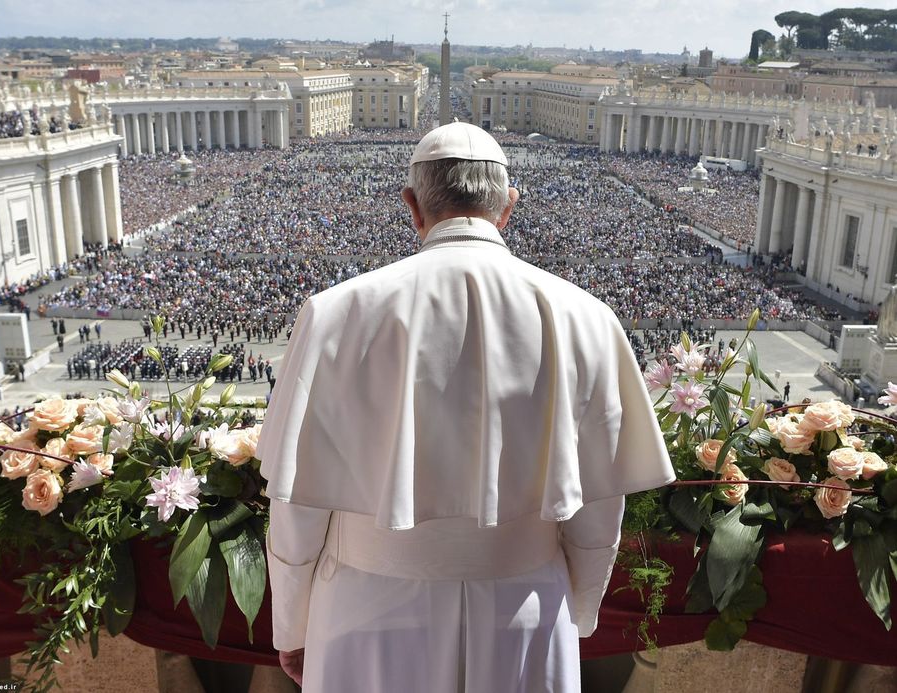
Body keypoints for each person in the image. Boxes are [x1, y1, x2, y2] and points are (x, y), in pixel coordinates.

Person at [256, 123, 675, 692]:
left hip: (367, 606)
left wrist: (292, 625)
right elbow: (598, 507)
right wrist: (578, 609)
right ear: (509, 207)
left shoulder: (335, 312)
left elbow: (297, 505)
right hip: (523, 605)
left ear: (412, 206)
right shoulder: (588, 316)